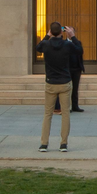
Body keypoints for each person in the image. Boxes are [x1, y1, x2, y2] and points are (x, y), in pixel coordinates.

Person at [38, 22, 74, 151]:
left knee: (48, 114)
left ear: (51, 32)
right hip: (64, 82)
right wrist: (72, 36)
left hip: (51, 82)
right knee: (65, 113)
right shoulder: (67, 45)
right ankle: (63, 143)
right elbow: (78, 50)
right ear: (61, 32)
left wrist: (47, 36)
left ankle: (44, 143)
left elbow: (38, 47)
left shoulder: (46, 45)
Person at [64, 24, 86, 112]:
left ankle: (75, 106)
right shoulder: (63, 43)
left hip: (76, 69)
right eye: (68, 31)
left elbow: (80, 52)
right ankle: (67, 106)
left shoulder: (77, 42)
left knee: (75, 88)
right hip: (67, 69)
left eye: (71, 31)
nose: (69, 33)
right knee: (67, 89)